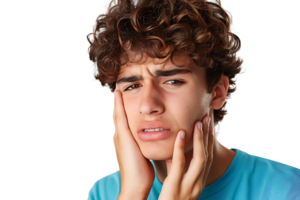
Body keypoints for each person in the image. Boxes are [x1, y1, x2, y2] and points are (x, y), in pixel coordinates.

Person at [84, 0, 300, 199]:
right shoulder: (105, 193)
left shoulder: (288, 190)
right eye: (132, 86)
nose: (148, 105)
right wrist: (132, 192)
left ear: (217, 92)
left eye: (173, 82)